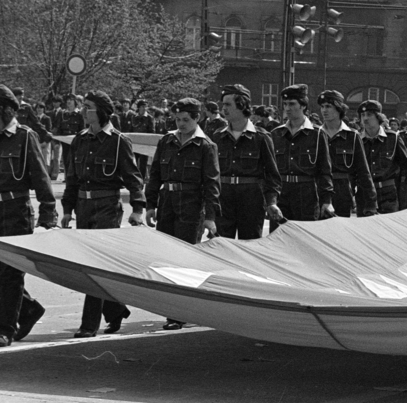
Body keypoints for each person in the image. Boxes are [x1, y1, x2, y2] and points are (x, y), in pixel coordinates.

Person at [62, 91, 145, 338]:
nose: (82, 111)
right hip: (83, 208)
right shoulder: (79, 140)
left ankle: (88, 325)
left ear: (100, 111)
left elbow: (133, 178)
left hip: (107, 206)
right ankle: (115, 309)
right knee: (87, 265)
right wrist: (67, 210)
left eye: (87, 107)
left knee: (94, 265)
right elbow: (71, 178)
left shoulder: (119, 141)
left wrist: (138, 209)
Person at [0, 84, 56, 347]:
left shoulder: (25, 137)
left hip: (16, 211)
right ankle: (29, 309)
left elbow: (41, 177)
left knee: (11, 273)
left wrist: (48, 216)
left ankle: (5, 329)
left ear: (1, 109)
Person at [146, 97, 220, 329]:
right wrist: (150, 204)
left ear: (197, 118)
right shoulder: (167, 141)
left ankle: (179, 313)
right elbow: (155, 174)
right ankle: (171, 309)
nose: (180, 124)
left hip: (191, 204)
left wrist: (210, 216)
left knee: (184, 262)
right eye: (177, 119)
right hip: (167, 202)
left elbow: (212, 182)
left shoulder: (206, 146)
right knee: (167, 259)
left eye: (185, 120)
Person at [214, 84, 283, 239]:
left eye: (228, 104)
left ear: (242, 105)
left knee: (250, 247)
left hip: (251, 201)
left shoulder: (261, 138)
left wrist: (271, 202)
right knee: (221, 247)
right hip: (223, 200)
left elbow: (272, 174)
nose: (223, 108)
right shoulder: (217, 137)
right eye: (222, 104)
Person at [269, 84, 335, 222]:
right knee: (279, 239)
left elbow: (325, 170)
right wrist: (270, 200)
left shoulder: (317, 135)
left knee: (304, 240)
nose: (287, 108)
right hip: (282, 194)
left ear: (303, 106)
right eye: (285, 104)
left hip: (307, 195)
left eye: (292, 104)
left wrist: (327, 201)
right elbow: (269, 172)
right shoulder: (276, 134)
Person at [319, 90, 376, 218]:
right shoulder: (315, 134)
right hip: (318, 190)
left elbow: (363, 171)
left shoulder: (352, 136)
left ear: (339, 108)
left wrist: (370, 202)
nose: (324, 110)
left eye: (328, 106)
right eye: (322, 107)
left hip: (342, 191)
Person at [358, 100, 407, 213]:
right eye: (362, 115)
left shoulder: (392, 138)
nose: (365, 118)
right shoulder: (357, 140)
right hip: (364, 194)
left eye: (369, 115)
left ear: (379, 117)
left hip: (388, 194)